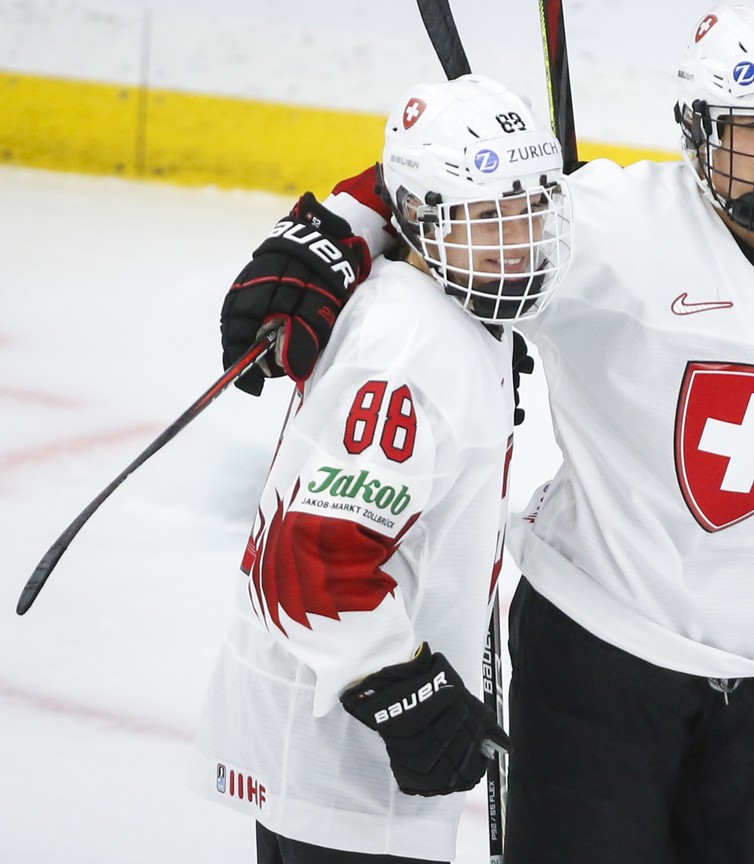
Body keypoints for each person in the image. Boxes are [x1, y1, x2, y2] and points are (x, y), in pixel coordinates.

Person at [213, 6, 754, 863]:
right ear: (695, 132)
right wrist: (328, 236)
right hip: (600, 653)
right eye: (748, 128)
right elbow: (458, 189)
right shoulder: (607, 221)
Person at [193, 74, 574, 862]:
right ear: (420, 221)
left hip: (335, 741)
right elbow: (307, 560)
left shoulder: (440, 293)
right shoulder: (410, 346)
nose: (514, 241)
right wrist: (407, 691)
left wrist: (345, 220)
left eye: (528, 208)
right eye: (484, 218)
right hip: (339, 751)